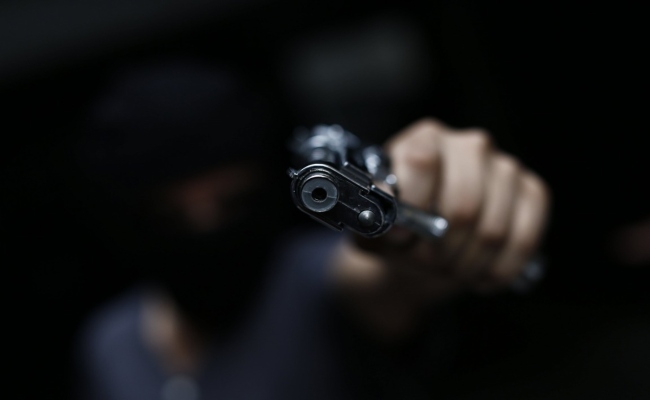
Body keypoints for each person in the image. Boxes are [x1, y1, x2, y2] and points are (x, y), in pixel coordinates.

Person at [75, 59, 549, 400]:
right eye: (170, 217)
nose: (208, 230)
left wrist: (438, 212)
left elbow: (388, 279)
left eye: (234, 203)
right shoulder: (109, 345)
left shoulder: (317, 280)